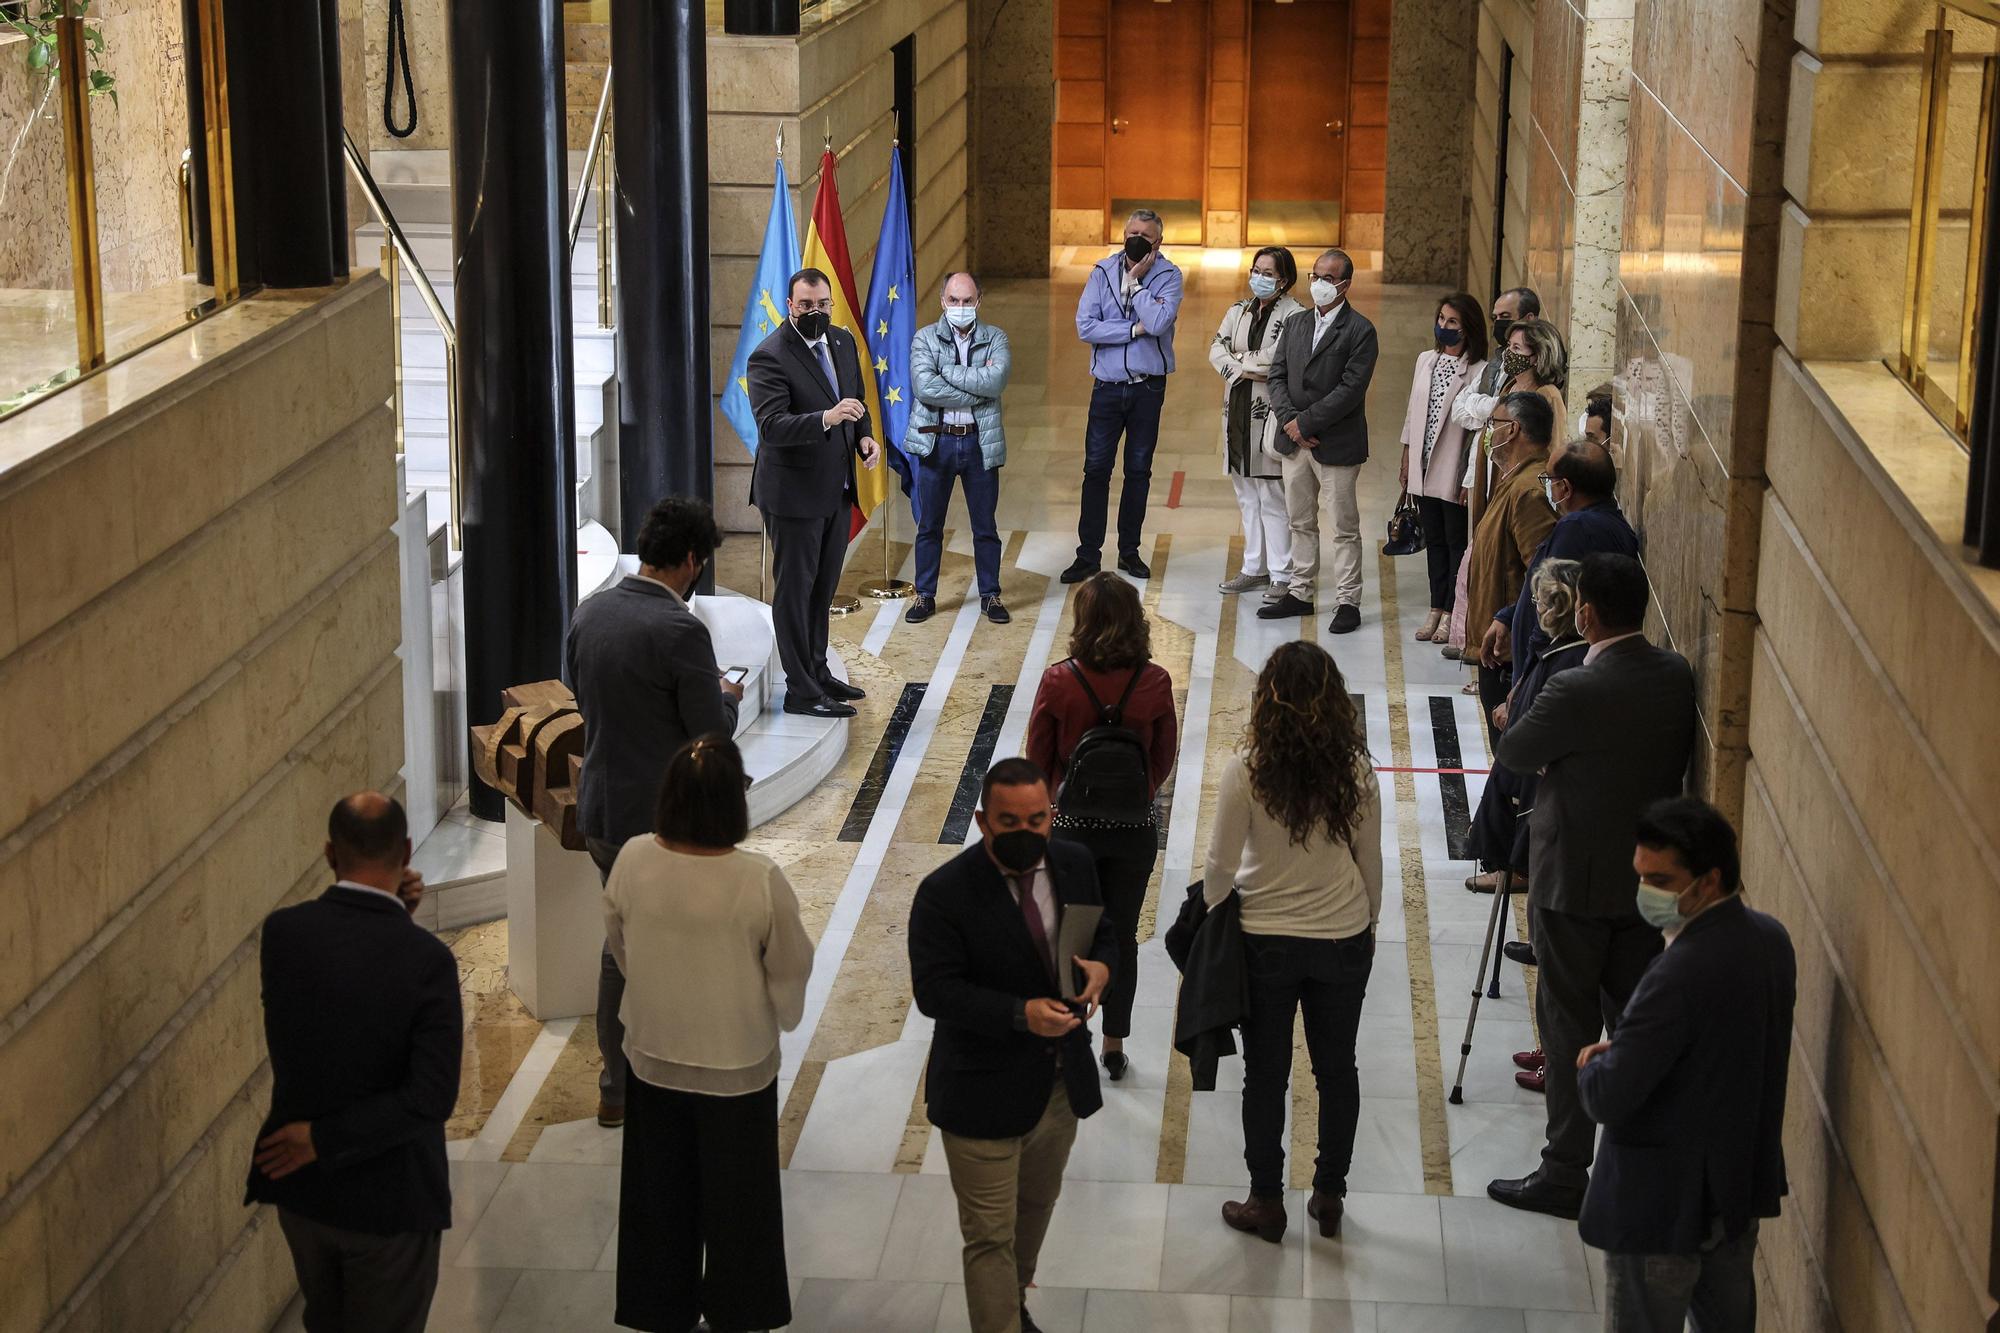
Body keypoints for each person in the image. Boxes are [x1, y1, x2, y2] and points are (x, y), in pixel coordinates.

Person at [1486, 553, 1697, 1219]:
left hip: (1572, 879)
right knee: (1634, 1022)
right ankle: (1639, 1159)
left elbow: (1516, 751)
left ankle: (1564, 1169)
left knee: (1568, 1020)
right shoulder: (1674, 675)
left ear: (1585, 613)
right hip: (1646, 882)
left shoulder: (1575, 686)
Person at [603, 736, 813, 1333]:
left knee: (657, 1199)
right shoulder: (757, 877)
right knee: (739, 1205)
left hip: (654, 1055)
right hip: (736, 1065)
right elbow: (791, 963)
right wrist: (775, 1010)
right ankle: (740, 1310)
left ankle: (659, 1308)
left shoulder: (634, 857)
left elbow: (619, 946)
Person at [909, 758, 1119, 1333]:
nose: (1027, 834)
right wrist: (1018, 1014)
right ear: (982, 821)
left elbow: (1101, 931)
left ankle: (1014, 1306)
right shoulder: (944, 894)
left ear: (1052, 815)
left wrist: (1103, 966)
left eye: (1038, 819)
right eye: (1010, 822)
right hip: (981, 1094)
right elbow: (935, 991)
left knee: (1033, 1214)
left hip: (1057, 1088)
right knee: (988, 1240)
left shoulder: (1074, 862)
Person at [246, 794, 461, 1333]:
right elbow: (430, 1098)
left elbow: (344, 981)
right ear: (408, 850)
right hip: (389, 1203)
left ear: (328, 853)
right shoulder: (426, 961)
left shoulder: (283, 935)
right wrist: (324, 1137)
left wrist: (394, 917)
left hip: (303, 1191)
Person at [1579, 798, 1796, 1332]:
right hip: (1733, 1197)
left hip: (1661, 1210)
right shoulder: (1771, 941)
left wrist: (1593, 1066)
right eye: (1642, 877)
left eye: (1662, 879)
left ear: (1709, 880)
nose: (1647, 893)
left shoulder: (1676, 973)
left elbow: (1609, 1096)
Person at [566, 494, 744, 1127]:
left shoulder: (589, 615)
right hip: (664, 825)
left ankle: (615, 1087)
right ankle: (675, 1075)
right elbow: (708, 739)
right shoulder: (680, 631)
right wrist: (727, 697)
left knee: (618, 951)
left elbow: (581, 699)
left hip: (602, 815)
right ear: (691, 560)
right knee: (673, 952)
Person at [1206, 642, 1383, 1243]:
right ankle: (1330, 1193)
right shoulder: (1356, 770)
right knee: (1338, 1070)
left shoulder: (1248, 769)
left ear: (1266, 699)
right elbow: (1370, 861)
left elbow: (1218, 868)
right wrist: (1367, 925)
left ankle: (1266, 1201)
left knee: (1266, 1075)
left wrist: (1213, 924)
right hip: (1342, 936)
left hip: (1265, 942)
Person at [1025, 572, 1178, 1081]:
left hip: (1072, 832)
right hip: (1134, 831)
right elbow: (1162, 758)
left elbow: (1038, 757)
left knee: (1073, 933)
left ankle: (1069, 1037)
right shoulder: (1154, 681)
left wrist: (1062, 802)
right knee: (1124, 936)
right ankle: (1114, 1044)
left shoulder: (1059, 679)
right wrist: (1135, 796)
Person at [1464, 559, 1588, 1089]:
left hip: (1546, 808)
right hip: (1540, 805)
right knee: (1547, 941)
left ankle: (1557, 1058)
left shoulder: (1567, 663)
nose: (1534, 611)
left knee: (1560, 961)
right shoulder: (1553, 654)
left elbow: (1525, 741)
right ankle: (1549, 1046)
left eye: (1539, 603)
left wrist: (1515, 722)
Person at [747, 266, 883, 718]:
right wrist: (827, 418)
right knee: (794, 593)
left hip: (836, 489)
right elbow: (771, 427)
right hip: (792, 496)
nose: (815, 312)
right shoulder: (769, 356)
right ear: (790, 306)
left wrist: (863, 434)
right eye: (806, 305)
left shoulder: (842, 341)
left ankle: (819, 671)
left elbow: (855, 397)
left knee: (822, 589)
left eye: (822, 304)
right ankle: (800, 691)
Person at [1260, 248, 1380, 634]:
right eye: (1315, 276)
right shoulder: (1295, 324)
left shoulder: (1361, 331)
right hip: (1296, 443)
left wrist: (1306, 421)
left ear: (1344, 284)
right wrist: (1290, 422)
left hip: (1336, 444)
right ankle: (1300, 592)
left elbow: (1350, 389)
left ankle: (1348, 600)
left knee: (1344, 526)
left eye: (1328, 278)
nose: (1319, 284)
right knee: (1300, 521)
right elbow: (1276, 376)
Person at [1066, 209, 1184, 584]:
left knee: (1138, 471)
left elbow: (1162, 322)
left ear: (1158, 242)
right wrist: (1133, 329)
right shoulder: (1101, 271)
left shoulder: (1170, 276)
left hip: (1148, 389)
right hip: (1107, 387)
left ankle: (1129, 551)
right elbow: (1086, 326)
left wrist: (1135, 285)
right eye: (1132, 232)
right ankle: (1088, 554)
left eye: (1145, 235)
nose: (1137, 239)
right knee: (1096, 469)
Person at [906, 271, 1014, 625]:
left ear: (979, 301)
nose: (961, 307)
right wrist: (976, 384)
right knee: (929, 525)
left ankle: (990, 594)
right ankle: (925, 595)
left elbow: (995, 380)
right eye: (954, 300)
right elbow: (924, 388)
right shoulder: (924, 339)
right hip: (937, 441)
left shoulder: (996, 337)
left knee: (985, 526)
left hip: (979, 443)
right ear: (942, 301)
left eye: (968, 301)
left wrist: (945, 371)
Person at [1464, 391, 1558, 747]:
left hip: (1507, 648)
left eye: (1494, 424)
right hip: (1496, 641)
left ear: (1513, 430)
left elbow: (1543, 576)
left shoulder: (1530, 491)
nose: (1489, 433)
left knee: (1510, 759)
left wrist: (1510, 623)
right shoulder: (1514, 480)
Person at [1209, 245, 1305, 595]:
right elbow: (1215, 349)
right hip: (1236, 411)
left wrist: (1238, 363)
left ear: (1284, 279)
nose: (1259, 278)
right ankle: (1254, 567)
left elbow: (1276, 361)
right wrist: (1245, 368)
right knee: (1247, 495)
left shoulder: (1296, 315)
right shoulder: (1238, 309)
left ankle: (1282, 573)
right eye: (1256, 270)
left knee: (1271, 494)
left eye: (1268, 273)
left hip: (1268, 415)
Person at [1398, 291, 1489, 641]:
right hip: (1422, 465)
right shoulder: (1425, 360)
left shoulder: (1479, 371)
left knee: (1455, 541)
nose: (1444, 327)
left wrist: (1470, 478)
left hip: (1452, 467)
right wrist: (1406, 458)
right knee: (1433, 539)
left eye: (1452, 322)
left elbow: (1476, 428)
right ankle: (1435, 607)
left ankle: (1453, 610)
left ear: (1467, 327)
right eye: (1441, 319)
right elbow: (1412, 411)